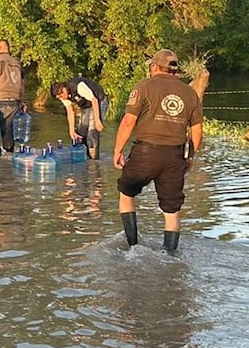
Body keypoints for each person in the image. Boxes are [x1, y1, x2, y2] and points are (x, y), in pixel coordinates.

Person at [112, 49, 203, 254]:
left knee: (126, 191)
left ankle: (132, 247)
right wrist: (191, 156)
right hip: (175, 155)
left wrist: (117, 150)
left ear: (154, 67)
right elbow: (197, 130)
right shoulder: (190, 93)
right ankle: (169, 255)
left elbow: (128, 122)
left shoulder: (144, 86)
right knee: (172, 209)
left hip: (146, 152)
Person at [50, 77, 109, 159]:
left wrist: (97, 120)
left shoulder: (79, 86)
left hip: (99, 101)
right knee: (80, 133)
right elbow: (70, 112)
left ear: (64, 89)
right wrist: (71, 131)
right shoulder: (63, 96)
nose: (61, 98)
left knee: (92, 133)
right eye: (58, 98)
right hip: (86, 105)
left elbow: (94, 100)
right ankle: (84, 156)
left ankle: (94, 161)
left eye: (61, 96)